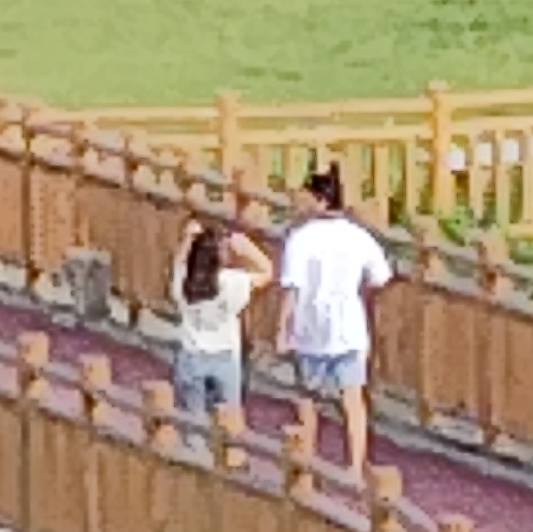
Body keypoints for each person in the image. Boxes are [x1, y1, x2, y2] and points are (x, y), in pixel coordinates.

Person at [273, 166, 392, 480]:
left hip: (310, 328)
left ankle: (306, 460)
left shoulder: (300, 238)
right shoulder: (358, 236)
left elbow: (292, 288)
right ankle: (354, 466)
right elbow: (380, 277)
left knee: (308, 399)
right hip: (349, 328)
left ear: (321, 200)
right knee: (353, 400)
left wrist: (282, 330)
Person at [166, 215, 272, 446]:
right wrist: (248, 249)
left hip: (192, 355)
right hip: (225, 357)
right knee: (230, 426)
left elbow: (178, 263)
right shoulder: (230, 282)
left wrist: (187, 238)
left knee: (193, 425)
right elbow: (267, 273)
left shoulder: (184, 283)